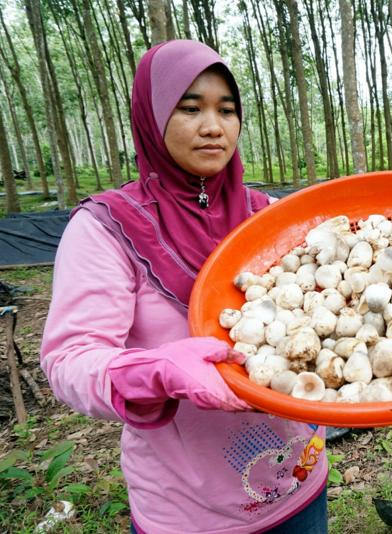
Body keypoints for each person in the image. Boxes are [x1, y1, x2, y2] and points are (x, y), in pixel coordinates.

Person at [40, 40, 327, 533]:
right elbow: (69, 360)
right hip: (189, 510)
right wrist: (156, 371)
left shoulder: (265, 216)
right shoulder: (108, 227)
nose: (214, 126)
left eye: (227, 109)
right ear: (151, 118)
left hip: (300, 480)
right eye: (190, 108)